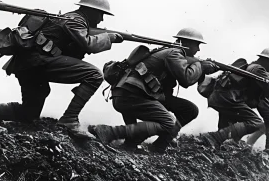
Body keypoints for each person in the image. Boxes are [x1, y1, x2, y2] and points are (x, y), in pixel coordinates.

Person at [0, 0, 123, 138]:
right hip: (39, 62)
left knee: (28, 114)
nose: (101, 19)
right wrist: (108, 38)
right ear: (91, 11)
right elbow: (87, 44)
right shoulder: (76, 20)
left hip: (29, 65)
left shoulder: (72, 20)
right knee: (94, 75)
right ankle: (70, 119)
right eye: (101, 14)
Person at [86, 28, 219, 153]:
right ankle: (109, 132)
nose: (198, 49)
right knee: (169, 123)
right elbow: (186, 79)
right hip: (133, 95)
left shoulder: (167, 51)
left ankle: (155, 146)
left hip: (130, 94)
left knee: (190, 109)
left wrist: (201, 69)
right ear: (189, 43)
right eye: (197, 45)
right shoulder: (174, 53)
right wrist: (200, 66)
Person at [201, 48, 269, 151]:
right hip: (227, 99)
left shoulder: (256, 69)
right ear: (267, 60)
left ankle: (267, 149)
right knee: (255, 123)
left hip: (227, 98)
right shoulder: (257, 69)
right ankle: (213, 138)